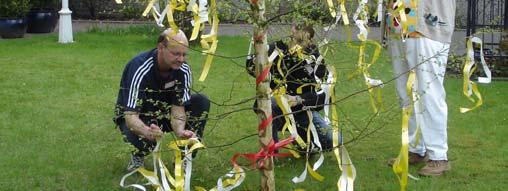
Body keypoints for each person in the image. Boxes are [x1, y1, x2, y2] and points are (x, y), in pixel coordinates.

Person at [113, 28, 210, 171]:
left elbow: (178, 109)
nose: (181, 59)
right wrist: (147, 132)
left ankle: (183, 157)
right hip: (137, 114)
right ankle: (138, 155)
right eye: (176, 53)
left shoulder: (183, 70)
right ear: (160, 47)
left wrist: (180, 131)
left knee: (201, 101)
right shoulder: (139, 68)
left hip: (165, 111)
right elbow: (130, 116)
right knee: (147, 143)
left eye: (184, 54)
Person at [386, 0, 456, 176]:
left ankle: (438, 156)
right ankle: (415, 148)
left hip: (428, 26)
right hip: (399, 26)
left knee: (429, 93)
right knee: (405, 93)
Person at [246, 23, 335, 152]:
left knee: (331, 141)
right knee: (271, 105)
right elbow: (252, 68)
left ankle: (303, 142)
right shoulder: (277, 49)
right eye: (296, 27)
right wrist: (254, 63)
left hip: (301, 111)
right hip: (274, 106)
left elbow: (326, 96)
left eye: (303, 28)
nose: (297, 31)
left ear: (310, 34)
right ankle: (269, 154)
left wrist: (299, 99)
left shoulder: (315, 59)